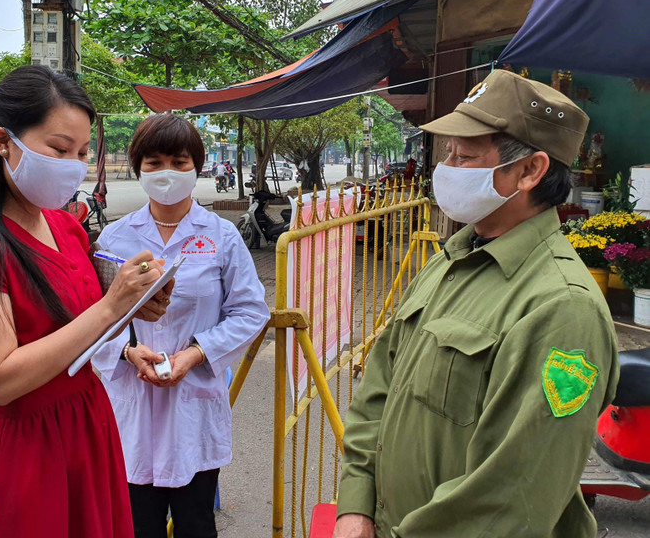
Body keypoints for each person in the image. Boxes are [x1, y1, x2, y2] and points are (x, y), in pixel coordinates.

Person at [333, 70, 620, 538]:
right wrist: (356, 504)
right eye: (448, 152)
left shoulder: (562, 309)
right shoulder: (452, 258)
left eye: (464, 155)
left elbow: (511, 498)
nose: (445, 168)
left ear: (530, 171)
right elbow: (380, 386)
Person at [0, 65, 173, 538]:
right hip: (23, 448)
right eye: (58, 149)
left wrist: (135, 307)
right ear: (2, 141)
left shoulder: (64, 227)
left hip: (85, 426)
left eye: (80, 153)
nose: (72, 165)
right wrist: (111, 306)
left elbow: (77, 328)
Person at [92, 114, 269, 538]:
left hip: (194, 399)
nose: (166, 172)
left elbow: (250, 311)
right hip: (130, 399)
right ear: (138, 169)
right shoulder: (115, 239)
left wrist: (195, 353)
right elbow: (94, 318)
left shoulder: (221, 236)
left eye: (179, 161)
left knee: (195, 523)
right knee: (136, 525)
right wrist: (125, 351)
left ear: (197, 167)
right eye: (153, 163)